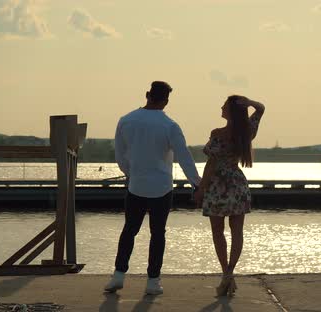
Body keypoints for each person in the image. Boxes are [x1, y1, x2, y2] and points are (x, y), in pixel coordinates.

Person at [104, 81, 201, 295]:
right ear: (166, 101)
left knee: (129, 230)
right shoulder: (170, 126)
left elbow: (120, 154)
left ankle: (118, 275)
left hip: (136, 184)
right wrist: (197, 183)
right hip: (162, 187)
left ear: (147, 94)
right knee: (158, 233)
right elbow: (184, 156)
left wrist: (131, 173)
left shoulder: (126, 120)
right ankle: (152, 281)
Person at [194, 95, 265, 296]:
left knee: (218, 232)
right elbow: (261, 109)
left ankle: (226, 273)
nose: (221, 107)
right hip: (236, 184)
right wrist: (250, 102)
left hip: (217, 185)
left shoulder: (218, 133)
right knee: (236, 232)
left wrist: (201, 188)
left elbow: (211, 164)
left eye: (224, 105)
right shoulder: (246, 132)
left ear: (231, 110)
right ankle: (229, 273)